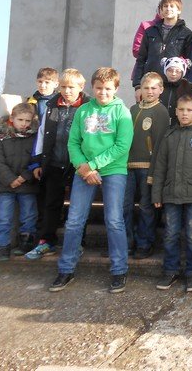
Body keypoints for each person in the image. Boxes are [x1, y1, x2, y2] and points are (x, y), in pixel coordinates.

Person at [49, 67, 135, 293]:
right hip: (84, 171)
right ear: (92, 88)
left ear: (115, 89)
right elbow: (73, 143)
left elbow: (122, 146)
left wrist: (94, 166)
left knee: (114, 220)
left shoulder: (122, 112)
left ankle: (119, 270)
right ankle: (66, 268)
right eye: (99, 88)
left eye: (107, 89)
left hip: (113, 170)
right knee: (75, 220)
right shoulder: (83, 111)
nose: (103, 93)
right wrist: (83, 168)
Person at [152, 94, 192, 293]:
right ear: (176, 111)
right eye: (181, 110)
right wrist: (157, 194)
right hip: (171, 194)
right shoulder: (169, 136)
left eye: (189, 110)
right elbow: (160, 167)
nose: (184, 113)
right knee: (171, 234)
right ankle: (170, 270)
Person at [26, 69, 90, 260]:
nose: (67, 91)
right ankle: (47, 242)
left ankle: (78, 242)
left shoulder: (88, 106)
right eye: (63, 87)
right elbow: (42, 133)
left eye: (71, 87)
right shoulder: (52, 105)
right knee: (51, 203)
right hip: (54, 162)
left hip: (77, 164)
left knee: (78, 206)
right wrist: (37, 161)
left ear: (81, 87)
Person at [125, 72, 170, 259]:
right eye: (146, 88)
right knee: (124, 206)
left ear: (161, 90)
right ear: (140, 90)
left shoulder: (161, 112)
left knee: (146, 207)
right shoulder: (133, 109)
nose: (149, 91)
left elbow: (159, 144)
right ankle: (126, 243)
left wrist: (154, 172)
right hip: (127, 166)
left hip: (147, 167)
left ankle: (144, 243)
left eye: (153, 88)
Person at [0, 103, 39, 260]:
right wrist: (10, 179)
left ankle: (26, 245)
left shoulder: (35, 138)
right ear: (12, 119)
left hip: (27, 185)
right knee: (4, 218)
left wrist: (24, 177)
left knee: (28, 216)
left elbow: (36, 160)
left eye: (27, 120)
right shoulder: (2, 139)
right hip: (5, 186)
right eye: (20, 120)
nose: (24, 124)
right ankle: (3, 247)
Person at [132, 0, 192, 93]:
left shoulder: (186, 34)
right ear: (160, 10)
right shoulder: (150, 31)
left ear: (179, 10)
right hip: (150, 84)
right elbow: (141, 59)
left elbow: (189, 62)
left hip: (174, 85)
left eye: (172, 6)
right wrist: (138, 86)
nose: (168, 9)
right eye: (165, 6)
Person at [159, 57, 192, 124]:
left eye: (177, 71)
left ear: (183, 73)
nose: (173, 74)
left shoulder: (189, 88)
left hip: (180, 128)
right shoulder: (159, 86)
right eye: (170, 70)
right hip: (160, 125)